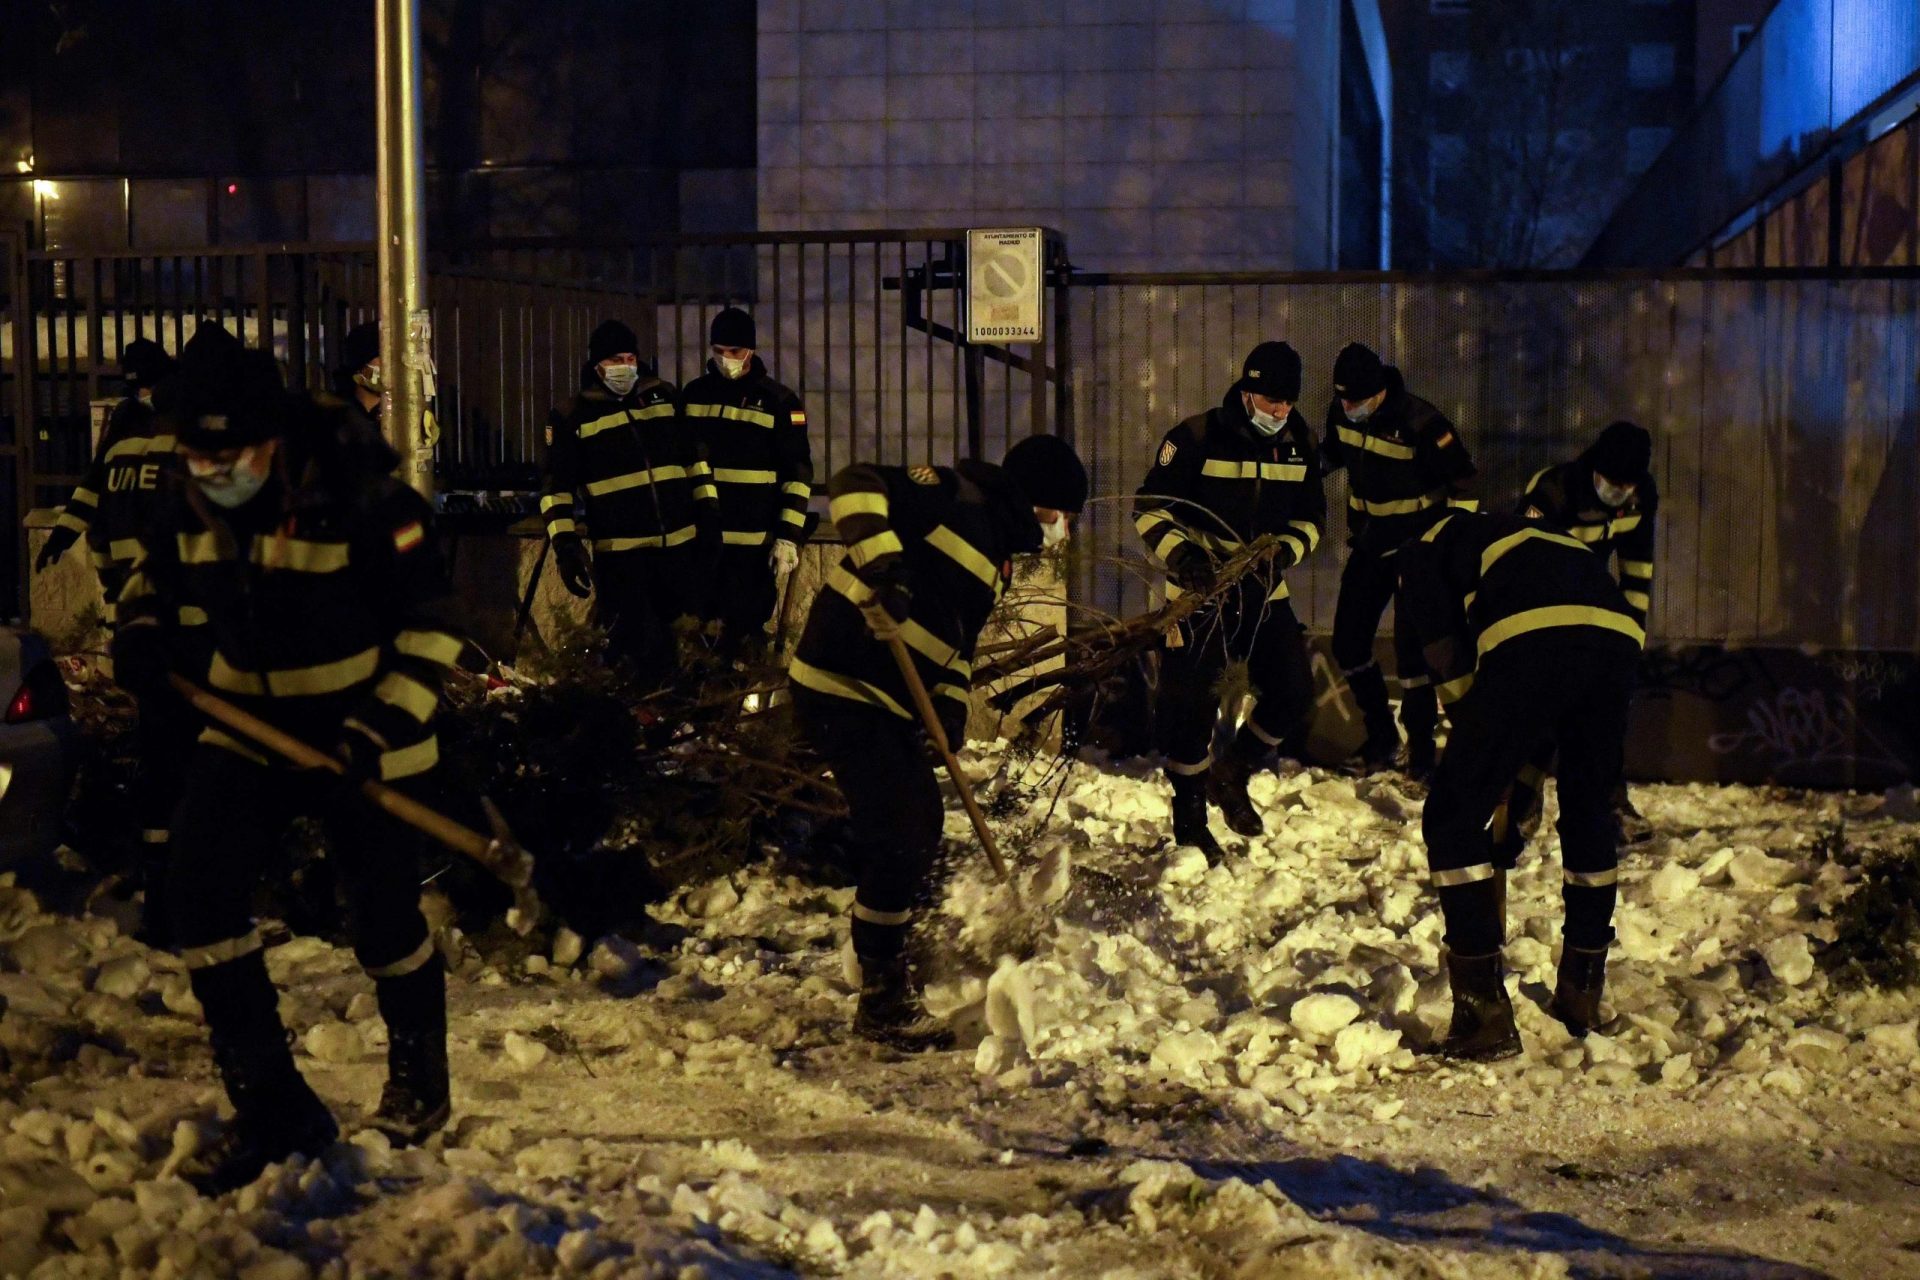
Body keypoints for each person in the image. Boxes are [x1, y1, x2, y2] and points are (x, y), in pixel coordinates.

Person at [111, 325, 469, 1192]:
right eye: (199, 453)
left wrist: (373, 734)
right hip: (247, 720)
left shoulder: (364, 497)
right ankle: (273, 1106)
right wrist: (143, 633)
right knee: (197, 895)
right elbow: (150, 582)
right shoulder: (184, 495)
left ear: (273, 439)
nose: (215, 469)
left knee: (381, 920)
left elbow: (435, 630)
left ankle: (420, 1080)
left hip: (366, 727)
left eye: (231, 453)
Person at [788, 434, 1088, 1050]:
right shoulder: (953, 498)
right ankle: (881, 996)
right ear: (1039, 505)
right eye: (1063, 517)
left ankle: (888, 951)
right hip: (841, 679)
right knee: (906, 828)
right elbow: (853, 482)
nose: (1063, 532)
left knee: (912, 827)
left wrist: (948, 716)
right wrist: (885, 573)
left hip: (888, 700)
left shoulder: (998, 558)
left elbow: (954, 651)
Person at [1396, 510, 1643, 1060]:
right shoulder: (1529, 538)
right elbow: (1543, 723)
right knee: (1588, 810)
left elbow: (1444, 652)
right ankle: (1582, 993)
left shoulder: (1422, 546)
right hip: (1619, 639)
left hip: (1534, 635)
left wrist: (1473, 739)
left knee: (1452, 816)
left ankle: (1482, 1016)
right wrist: (1520, 780)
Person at [1133, 341, 1326, 862]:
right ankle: (1191, 817)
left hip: (1264, 592)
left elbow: (1313, 519)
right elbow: (1149, 509)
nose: (1280, 412)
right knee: (1190, 706)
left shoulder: (1300, 442)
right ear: (1247, 392)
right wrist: (1184, 558)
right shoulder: (1195, 438)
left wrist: (1285, 551)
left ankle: (1232, 772)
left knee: (1293, 693)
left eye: (1287, 403)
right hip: (1199, 594)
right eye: (1271, 402)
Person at [35, 337, 202, 941]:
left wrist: (104, 579)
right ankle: (181, 887)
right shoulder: (180, 446)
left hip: (136, 622)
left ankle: (159, 880)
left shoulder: (126, 442)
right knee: (184, 757)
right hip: (179, 628)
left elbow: (96, 511)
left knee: (158, 754)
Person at [1320, 343, 1476, 776]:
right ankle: (1382, 738)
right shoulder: (1341, 411)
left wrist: (1449, 550)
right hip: (1370, 546)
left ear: (1380, 391)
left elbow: (1465, 483)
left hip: (1417, 551)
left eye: (1356, 400)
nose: (1348, 407)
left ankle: (1422, 757)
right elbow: (1333, 453)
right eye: (1342, 399)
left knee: (1415, 657)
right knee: (1348, 643)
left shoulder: (1422, 425)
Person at [539, 320, 719, 688]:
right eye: (615, 359)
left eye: (630, 357)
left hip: (679, 552)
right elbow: (556, 488)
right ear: (597, 365)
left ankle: (684, 731)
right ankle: (640, 731)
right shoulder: (574, 414)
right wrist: (565, 546)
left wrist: (709, 515)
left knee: (686, 653)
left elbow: (695, 463)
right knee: (635, 653)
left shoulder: (664, 397)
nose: (625, 366)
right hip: (623, 559)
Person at [1509, 419, 1660, 844]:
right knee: (1539, 713)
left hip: (1596, 614)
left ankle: (1611, 806)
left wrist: (1632, 634)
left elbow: (1637, 567)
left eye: (1626, 484)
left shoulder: (1640, 495)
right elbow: (1523, 564)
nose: (1619, 491)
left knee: (1604, 717)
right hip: (1542, 614)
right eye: (1612, 481)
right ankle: (1522, 800)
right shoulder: (1554, 491)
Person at [681, 307, 813, 661]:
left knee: (745, 640)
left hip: (753, 551)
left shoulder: (779, 402)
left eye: (734, 352)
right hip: (703, 546)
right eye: (719, 351)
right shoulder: (694, 395)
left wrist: (788, 536)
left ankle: (744, 709)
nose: (726, 360)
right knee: (698, 640)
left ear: (751, 351)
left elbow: (798, 474)